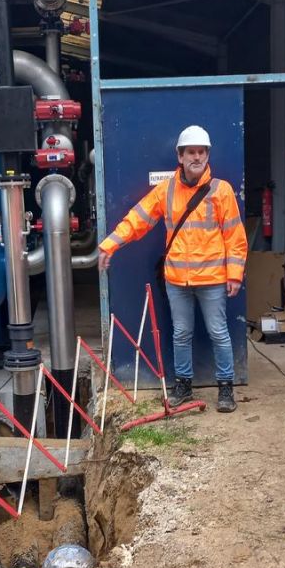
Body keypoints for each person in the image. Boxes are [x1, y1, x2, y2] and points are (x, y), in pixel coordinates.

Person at [97, 125, 247, 413]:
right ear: (180, 156)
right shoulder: (165, 191)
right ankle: (184, 386)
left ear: (207, 155)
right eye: (191, 151)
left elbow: (235, 237)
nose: (197, 157)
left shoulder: (222, 191)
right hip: (177, 280)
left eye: (202, 152)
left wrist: (234, 274)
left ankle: (226, 388)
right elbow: (137, 219)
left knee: (218, 332)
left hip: (213, 279)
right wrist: (109, 245)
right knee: (181, 334)